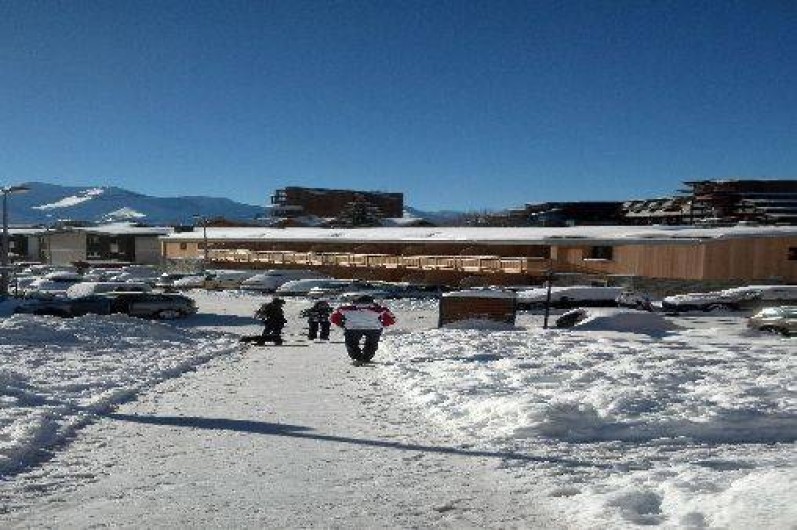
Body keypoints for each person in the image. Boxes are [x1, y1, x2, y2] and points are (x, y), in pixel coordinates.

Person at [330, 294, 395, 363]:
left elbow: (333, 318)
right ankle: (367, 357)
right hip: (374, 328)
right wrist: (383, 324)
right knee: (372, 343)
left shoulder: (345, 309)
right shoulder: (380, 309)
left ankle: (357, 357)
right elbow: (392, 319)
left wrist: (342, 324)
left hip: (352, 328)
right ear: (372, 302)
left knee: (351, 343)